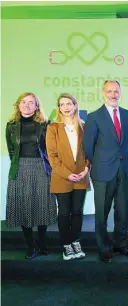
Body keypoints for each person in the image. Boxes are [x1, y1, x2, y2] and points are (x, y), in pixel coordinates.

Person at [83, 80, 128, 263]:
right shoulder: (94, 117)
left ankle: (121, 244)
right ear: (103, 93)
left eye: (116, 91)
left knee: (123, 211)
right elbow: (88, 147)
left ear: (120, 93)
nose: (113, 95)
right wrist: (101, 161)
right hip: (103, 171)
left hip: (123, 169)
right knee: (102, 212)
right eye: (110, 91)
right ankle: (104, 247)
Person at [5, 92, 56, 259]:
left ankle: (41, 242)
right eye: (23, 102)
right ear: (18, 105)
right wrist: (18, 165)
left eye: (31, 102)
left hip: (41, 167)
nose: (27, 105)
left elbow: (49, 149)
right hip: (20, 168)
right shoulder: (11, 125)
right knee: (23, 206)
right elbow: (11, 150)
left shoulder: (45, 124)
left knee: (42, 204)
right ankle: (30, 245)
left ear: (37, 106)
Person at [46, 93, 90, 260]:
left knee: (77, 211)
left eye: (69, 103)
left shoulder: (84, 126)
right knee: (64, 212)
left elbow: (89, 152)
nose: (66, 107)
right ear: (59, 108)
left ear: (75, 105)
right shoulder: (53, 128)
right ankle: (66, 245)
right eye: (62, 104)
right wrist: (67, 174)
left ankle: (75, 241)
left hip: (81, 175)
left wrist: (86, 169)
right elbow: (52, 156)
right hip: (61, 176)